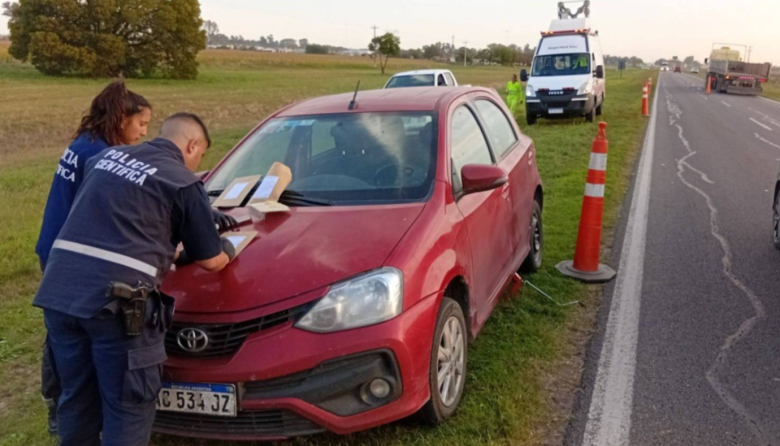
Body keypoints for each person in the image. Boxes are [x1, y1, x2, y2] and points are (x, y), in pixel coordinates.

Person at [33, 112, 236, 446]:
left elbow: (124, 226)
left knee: (77, 398)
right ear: (192, 145)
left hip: (59, 295)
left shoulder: (105, 158)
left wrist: (176, 245)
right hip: (116, 308)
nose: (197, 162)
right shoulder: (182, 181)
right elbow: (211, 261)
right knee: (127, 407)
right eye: (200, 155)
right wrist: (228, 247)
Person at [36, 80, 152, 436]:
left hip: (53, 247)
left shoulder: (83, 143)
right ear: (122, 119)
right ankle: (62, 403)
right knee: (68, 337)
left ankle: (62, 403)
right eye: (141, 124)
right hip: (71, 255)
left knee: (61, 330)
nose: (144, 132)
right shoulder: (99, 156)